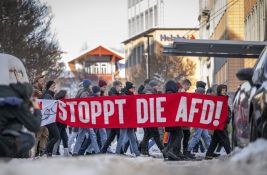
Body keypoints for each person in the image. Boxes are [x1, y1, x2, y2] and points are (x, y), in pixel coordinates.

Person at [0, 82, 42, 158]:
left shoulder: (3, 89)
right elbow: (35, 126)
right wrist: (36, 108)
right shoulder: (17, 102)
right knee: (29, 139)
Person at [72, 79, 100, 156]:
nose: (91, 86)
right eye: (90, 85)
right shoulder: (84, 94)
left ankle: (75, 152)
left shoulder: (84, 93)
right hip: (85, 118)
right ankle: (97, 152)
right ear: (87, 86)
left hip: (82, 118)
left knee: (80, 136)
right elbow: (86, 105)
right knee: (92, 135)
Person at [205, 84, 232, 160]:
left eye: (225, 90)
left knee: (214, 140)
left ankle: (208, 155)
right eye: (223, 90)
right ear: (219, 90)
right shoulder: (218, 99)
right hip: (219, 123)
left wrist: (228, 117)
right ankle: (230, 153)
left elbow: (227, 110)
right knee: (225, 139)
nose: (224, 91)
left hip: (221, 123)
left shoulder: (224, 99)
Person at [162, 80, 186, 160]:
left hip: (168, 121)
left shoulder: (166, 94)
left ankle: (167, 150)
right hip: (173, 120)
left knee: (173, 136)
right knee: (180, 134)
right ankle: (171, 151)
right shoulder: (173, 95)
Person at [185, 85, 211, 159]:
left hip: (202, 121)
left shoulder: (198, 99)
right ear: (201, 93)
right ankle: (188, 151)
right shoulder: (196, 100)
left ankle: (210, 151)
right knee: (196, 137)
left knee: (206, 136)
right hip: (198, 121)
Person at [139, 80, 164, 155]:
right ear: (153, 85)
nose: (158, 86)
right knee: (156, 135)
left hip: (149, 117)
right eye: (156, 85)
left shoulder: (151, 91)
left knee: (147, 135)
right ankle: (163, 150)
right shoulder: (149, 92)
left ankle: (142, 149)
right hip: (150, 117)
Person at [115, 82, 140, 156]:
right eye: (132, 88)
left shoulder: (131, 95)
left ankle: (137, 153)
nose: (133, 90)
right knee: (122, 137)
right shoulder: (123, 95)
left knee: (132, 138)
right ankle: (117, 152)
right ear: (129, 89)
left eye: (134, 88)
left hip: (130, 120)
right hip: (125, 120)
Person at [101, 80, 123, 153]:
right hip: (115, 118)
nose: (121, 88)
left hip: (116, 118)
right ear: (115, 86)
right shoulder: (112, 93)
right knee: (120, 135)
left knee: (111, 137)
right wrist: (120, 95)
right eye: (120, 86)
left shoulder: (116, 93)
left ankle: (103, 150)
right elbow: (116, 100)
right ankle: (120, 151)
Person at [42, 80, 60, 157]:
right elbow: (48, 106)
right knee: (57, 136)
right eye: (52, 86)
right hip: (49, 119)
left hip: (52, 118)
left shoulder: (51, 95)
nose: (54, 87)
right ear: (48, 86)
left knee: (52, 136)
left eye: (54, 86)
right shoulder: (47, 95)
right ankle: (45, 151)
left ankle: (49, 153)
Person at [32, 75, 49, 157]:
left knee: (45, 133)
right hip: (36, 115)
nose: (43, 82)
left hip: (43, 115)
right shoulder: (33, 90)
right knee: (38, 135)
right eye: (41, 81)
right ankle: (34, 152)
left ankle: (41, 151)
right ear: (36, 82)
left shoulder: (42, 91)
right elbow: (33, 102)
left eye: (43, 81)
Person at [53, 90, 70, 156]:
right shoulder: (58, 102)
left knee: (65, 138)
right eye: (66, 95)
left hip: (63, 124)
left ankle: (66, 153)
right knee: (57, 138)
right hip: (58, 123)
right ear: (63, 95)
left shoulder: (65, 102)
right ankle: (53, 152)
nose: (67, 96)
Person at [179, 79, 192, 155]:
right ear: (185, 85)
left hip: (185, 118)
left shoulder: (183, 92)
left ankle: (184, 151)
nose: (188, 89)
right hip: (183, 119)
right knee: (185, 135)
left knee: (186, 135)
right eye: (188, 87)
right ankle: (184, 152)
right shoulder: (181, 92)